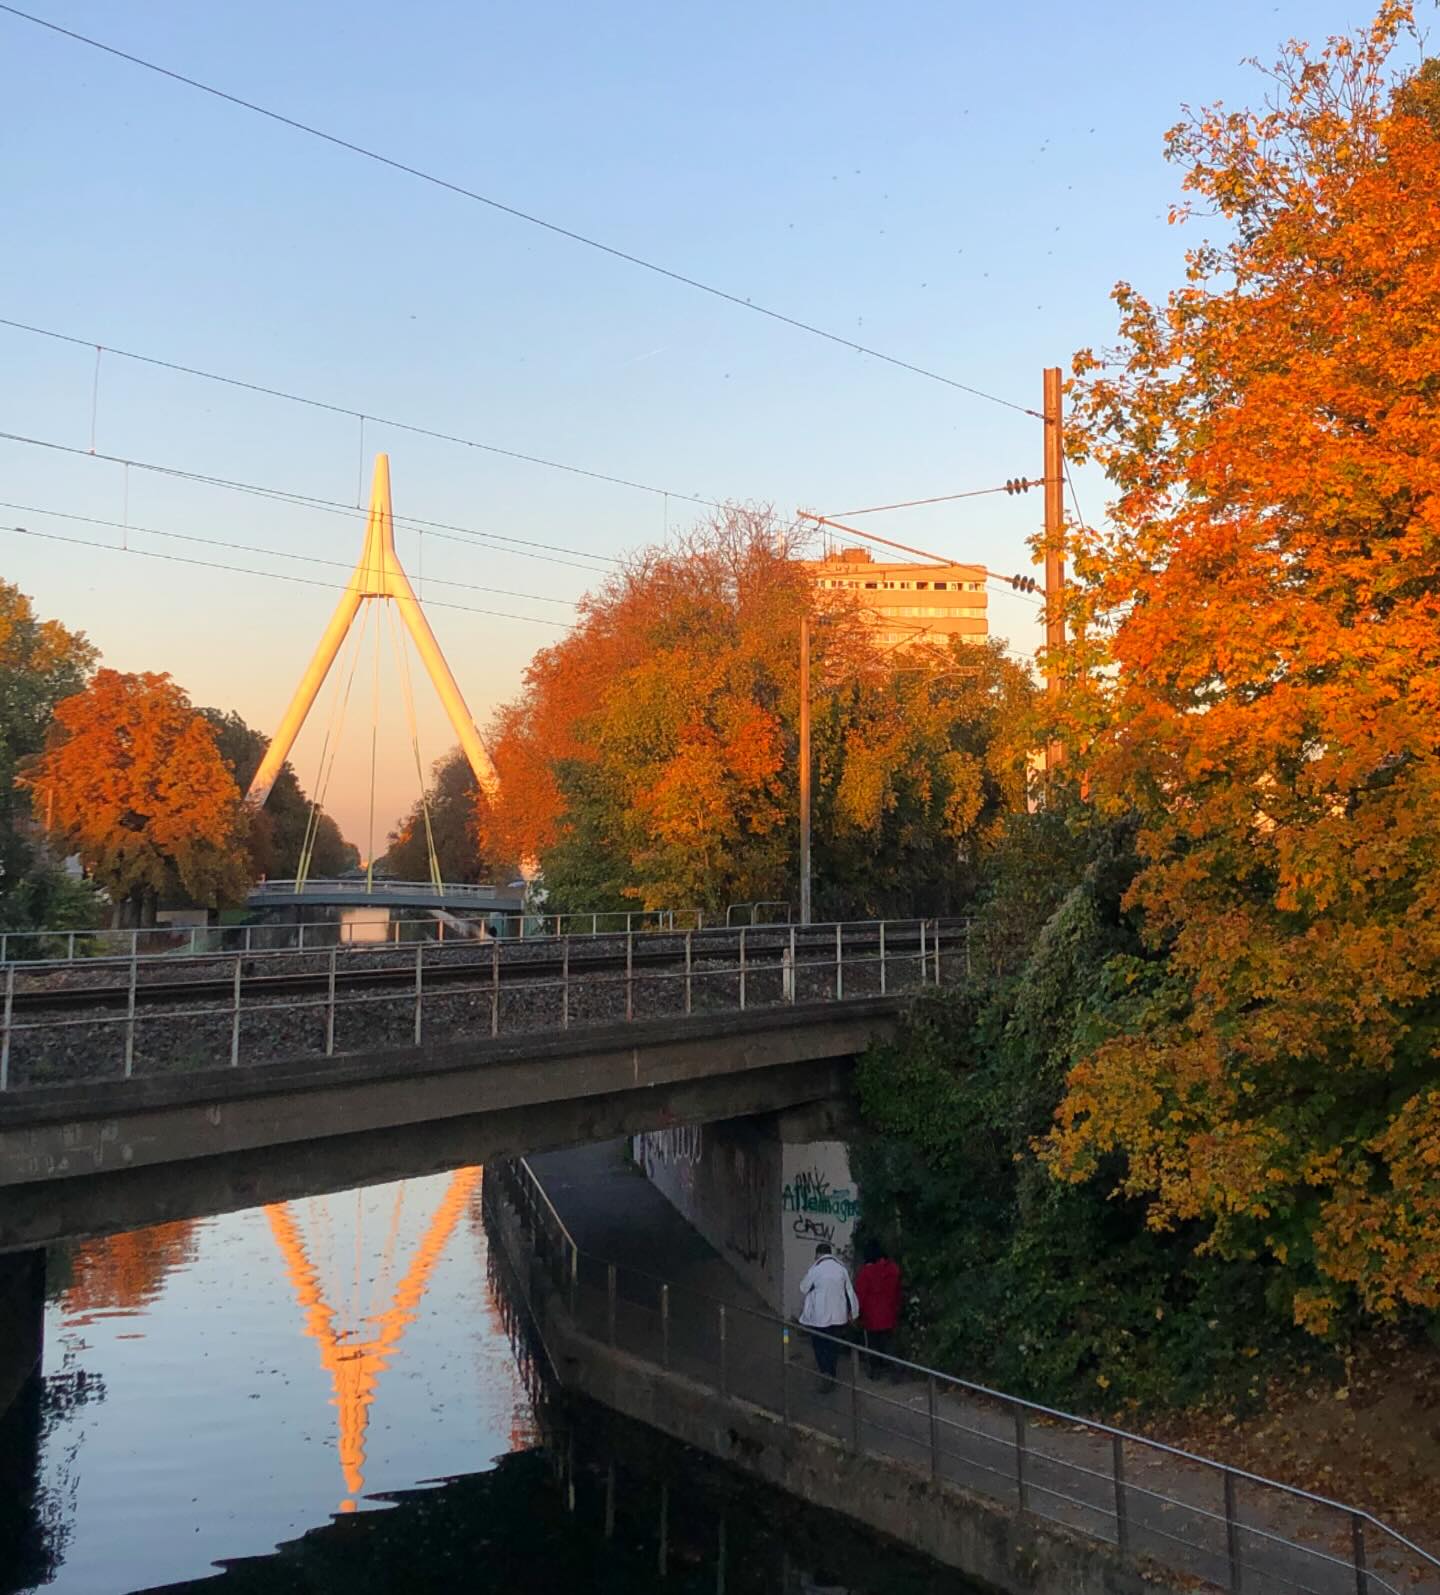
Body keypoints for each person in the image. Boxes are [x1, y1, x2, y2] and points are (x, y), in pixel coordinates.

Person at [797, 1242, 857, 1391]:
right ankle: (831, 1372)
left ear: (818, 1255)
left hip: (819, 1318)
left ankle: (825, 1373)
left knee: (819, 1345)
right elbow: (849, 1291)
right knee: (832, 1345)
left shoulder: (816, 1269)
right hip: (838, 1317)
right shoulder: (841, 1269)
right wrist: (854, 1312)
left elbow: (803, 1287)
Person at [854, 1239, 902, 1380]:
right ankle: (897, 1368)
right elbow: (898, 1291)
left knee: (873, 1345)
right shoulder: (893, 1269)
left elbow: (860, 1295)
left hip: (872, 1315)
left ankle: (875, 1371)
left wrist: (857, 1313)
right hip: (890, 1312)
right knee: (889, 1343)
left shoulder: (866, 1273)